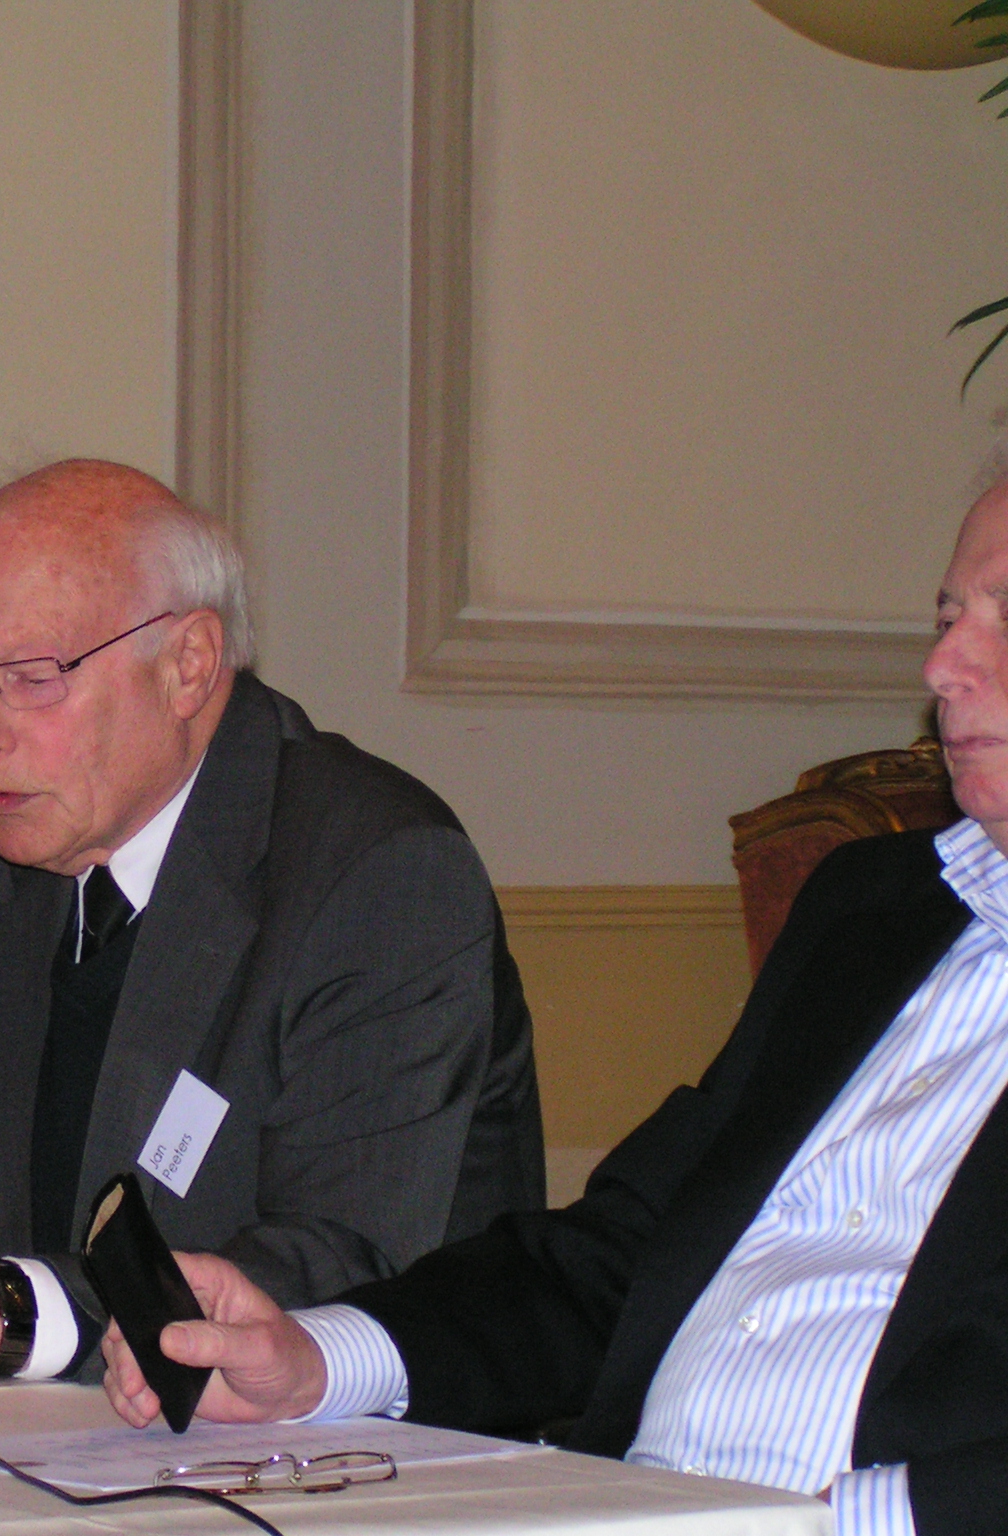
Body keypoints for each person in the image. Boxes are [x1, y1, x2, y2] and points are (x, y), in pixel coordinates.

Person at [98, 479, 1008, 1536]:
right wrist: (311, 1360)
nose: (942, 666)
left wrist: (828, 1523)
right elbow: (619, 1255)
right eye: (947, 616)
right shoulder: (872, 910)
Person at [0, 460, 542, 1378]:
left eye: (30, 678)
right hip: (48, 1438)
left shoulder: (376, 873)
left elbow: (343, 1268)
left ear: (188, 666)